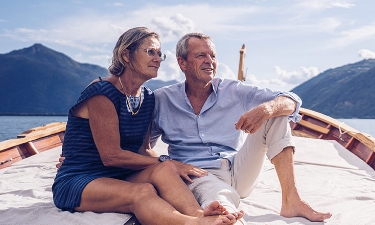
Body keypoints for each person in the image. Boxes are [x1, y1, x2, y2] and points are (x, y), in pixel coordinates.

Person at [52, 27, 244, 225]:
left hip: (120, 175)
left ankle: (198, 214)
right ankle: (192, 223)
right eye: (151, 52)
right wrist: (170, 161)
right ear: (126, 55)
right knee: (143, 191)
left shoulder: (148, 98)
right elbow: (111, 156)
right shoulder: (102, 93)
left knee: (165, 169)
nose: (158, 59)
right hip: (81, 179)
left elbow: (144, 150)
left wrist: (172, 165)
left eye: (160, 54)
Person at [150, 32, 332, 222]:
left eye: (213, 56)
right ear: (182, 63)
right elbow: (144, 149)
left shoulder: (233, 90)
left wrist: (266, 109)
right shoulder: (162, 100)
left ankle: (291, 200)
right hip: (198, 174)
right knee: (219, 197)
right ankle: (227, 216)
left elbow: (292, 101)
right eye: (201, 55)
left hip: (239, 170)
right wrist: (168, 162)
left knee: (275, 115)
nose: (209, 61)